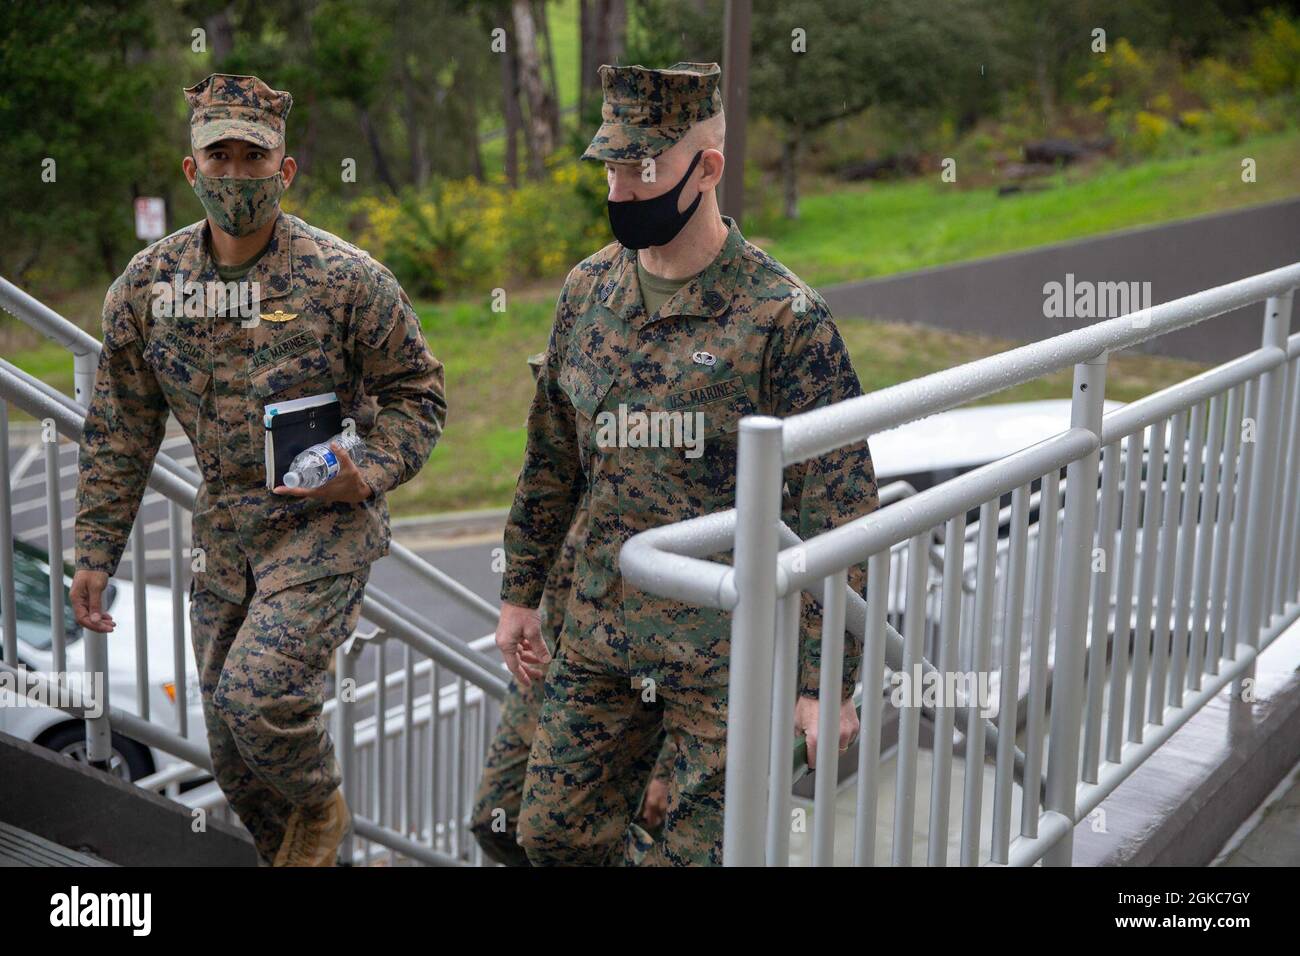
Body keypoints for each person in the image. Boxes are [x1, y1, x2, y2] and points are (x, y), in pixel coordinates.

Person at [495, 63, 879, 866]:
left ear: (707, 168)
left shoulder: (783, 319)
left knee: (705, 857)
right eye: (612, 167)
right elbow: (550, 460)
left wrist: (823, 679)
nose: (623, 190)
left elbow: (838, 511)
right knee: (551, 836)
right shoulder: (587, 292)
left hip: (728, 654)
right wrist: (520, 593)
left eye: (644, 170)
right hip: (602, 629)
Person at [71, 73, 446, 867]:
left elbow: (418, 393)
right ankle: (302, 848)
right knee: (234, 756)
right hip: (225, 537)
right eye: (221, 157)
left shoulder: (346, 280)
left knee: (261, 697)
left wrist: (367, 469)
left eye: (254, 158)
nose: (237, 175)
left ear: (287, 169)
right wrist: (96, 553)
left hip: (323, 523)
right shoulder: (148, 289)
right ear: (191, 170)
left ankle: (323, 802)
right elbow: (121, 428)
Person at [470, 353, 672, 866]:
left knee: (599, 834)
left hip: (627, 688)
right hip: (548, 677)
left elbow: (687, 634)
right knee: (496, 818)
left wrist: (666, 770)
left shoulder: (652, 486)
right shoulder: (561, 483)